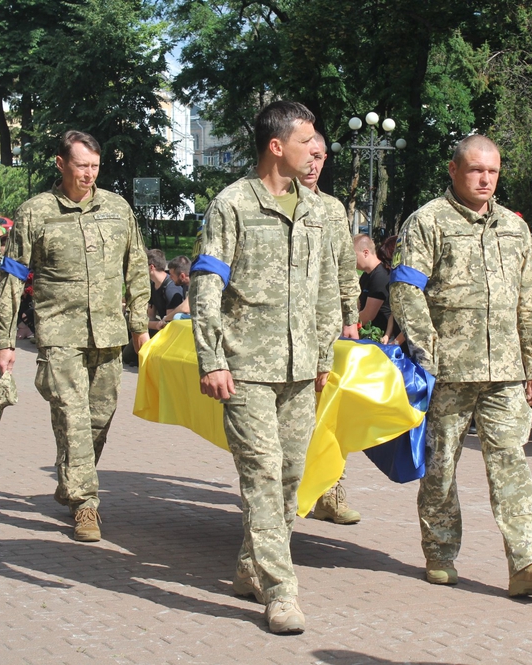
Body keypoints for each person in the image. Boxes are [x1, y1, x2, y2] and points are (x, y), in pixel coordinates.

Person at [389, 134, 532, 597]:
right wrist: (429, 354)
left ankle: (529, 560)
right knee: (442, 466)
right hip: (448, 372)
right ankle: (441, 553)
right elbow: (406, 291)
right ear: (453, 170)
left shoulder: (514, 228)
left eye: (492, 170)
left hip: (506, 371)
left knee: (511, 462)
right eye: (475, 169)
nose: (485, 178)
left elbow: (531, 300)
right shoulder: (427, 222)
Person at [189, 100, 339, 634]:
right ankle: (281, 591)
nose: (316, 150)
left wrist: (324, 355)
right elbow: (206, 285)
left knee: (290, 478)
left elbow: (325, 289)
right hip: (246, 366)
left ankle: (252, 567)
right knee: (261, 473)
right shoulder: (231, 205)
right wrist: (211, 357)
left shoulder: (317, 209)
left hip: (300, 369)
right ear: (277, 147)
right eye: (307, 142)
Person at [0, 130, 151, 543]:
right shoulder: (35, 213)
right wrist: (5, 341)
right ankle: (86, 504)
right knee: (72, 417)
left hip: (109, 334)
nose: (88, 174)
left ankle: (70, 479)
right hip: (59, 333)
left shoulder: (117, 209)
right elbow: (12, 279)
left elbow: (136, 266)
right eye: (81, 166)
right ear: (61, 164)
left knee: (98, 419)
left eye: (95, 167)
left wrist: (139, 329)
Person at [300, 133, 361, 526]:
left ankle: (331, 491)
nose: (314, 164)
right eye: (308, 155)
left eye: (320, 157)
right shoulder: (267, 201)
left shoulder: (333, 208)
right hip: (276, 332)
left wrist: (350, 317)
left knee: (330, 411)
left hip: (325, 330)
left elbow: (345, 266)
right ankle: (287, 491)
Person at [146, 249, 184, 335]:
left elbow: (169, 324)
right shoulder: (153, 285)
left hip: (171, 333)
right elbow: (151, 315)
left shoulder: (171, 288)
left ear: (151, 267)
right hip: (159, 328)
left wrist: (141, 324)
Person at [165, 255, 192, 319]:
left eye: (172, 275)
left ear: (182, 276)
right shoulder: (185, 286)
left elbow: (185, 308)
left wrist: (166, 318)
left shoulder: (196, 285)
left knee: (177, 317)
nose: (170, 277)